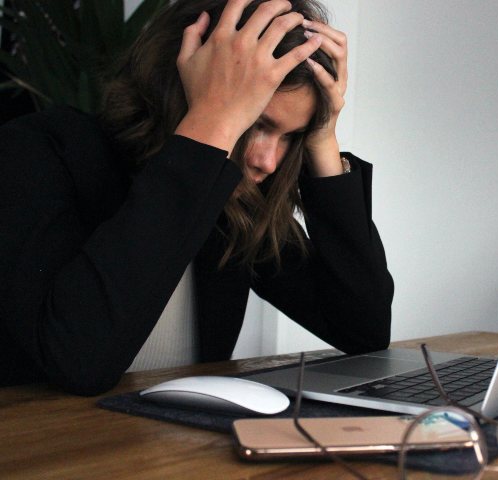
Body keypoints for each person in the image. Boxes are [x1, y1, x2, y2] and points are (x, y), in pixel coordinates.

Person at [0, 0, 393, 395]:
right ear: (183, 84)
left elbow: (363, 331)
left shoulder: (233, 202)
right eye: (255, 122)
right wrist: (212, 123)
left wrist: (323, 137)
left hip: (179, 451)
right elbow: (78, 361)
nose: (268, 161)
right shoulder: (39, 151)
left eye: (291, 135)